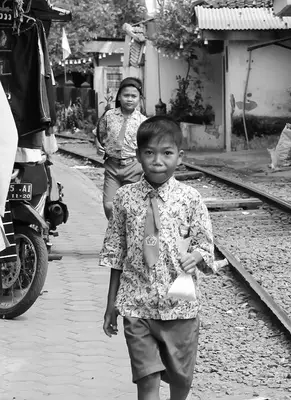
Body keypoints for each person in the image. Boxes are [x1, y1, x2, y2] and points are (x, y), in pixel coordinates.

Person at [100, 116, 215, 400]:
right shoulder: (125, 198)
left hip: (180, 305)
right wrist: (111, 304)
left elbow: (206, 244)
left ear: (180, 156)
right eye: (149, 153)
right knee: (146, 379)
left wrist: (196, 255)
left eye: (167, 153)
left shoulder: (190, 199)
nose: (157, 161)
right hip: (137, 304)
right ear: (138, 155)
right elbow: (116, 254)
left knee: (181, 380)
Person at [95, 77, 147, 220]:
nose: (129, 99)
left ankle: (128, 236)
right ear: (119, 96)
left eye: (133, 96)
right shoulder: (109, 116)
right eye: (126, 95)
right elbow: (99, 134)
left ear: (139, 99)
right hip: (112, 167)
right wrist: (98, 145)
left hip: (134, 167)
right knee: (109, 205)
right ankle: (115, 233)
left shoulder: (143, 121)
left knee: (131, 207)